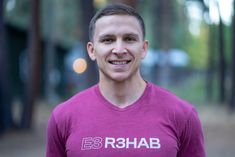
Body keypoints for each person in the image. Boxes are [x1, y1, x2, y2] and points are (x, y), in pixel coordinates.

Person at [46, 3, 206, 157]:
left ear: (143, 48)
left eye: (129, 39)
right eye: (108, 40)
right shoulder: (63, 117)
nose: (119, 50)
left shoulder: (182, 115)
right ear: (92, 50)